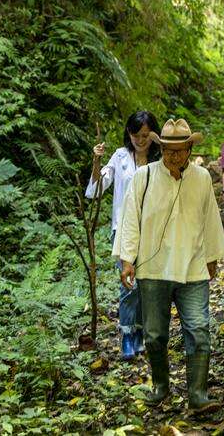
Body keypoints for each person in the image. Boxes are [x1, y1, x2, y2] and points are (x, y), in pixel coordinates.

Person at [113, 118, 224, 412]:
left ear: (189, 149)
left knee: (199, 329)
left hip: (193, 267)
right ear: (160, 149)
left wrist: (212, 256)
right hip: (153, 269)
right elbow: (130, 220)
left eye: (180, 150)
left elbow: (211, 218)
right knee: (154, 333)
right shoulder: (144, 177)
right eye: (168, 151)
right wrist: (127, 259)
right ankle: (161, 386)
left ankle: (198, 394)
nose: (174, 156)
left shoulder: (201, 178)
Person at [87, 111, 160, 361]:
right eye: (135, 135)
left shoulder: (159, 159)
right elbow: (98, 186)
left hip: (152, 229)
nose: (140, 140)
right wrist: (97, 162)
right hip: (124, 228)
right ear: (128, 134)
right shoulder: (120, 157)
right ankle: (127, 335)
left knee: (147, 285)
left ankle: (141, 333)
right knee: (129, 284)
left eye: (144, 135)